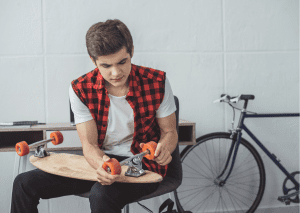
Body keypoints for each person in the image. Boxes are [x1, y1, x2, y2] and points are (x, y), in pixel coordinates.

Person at [11, 19, 178, 213]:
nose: (116, 72)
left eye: (122, 62)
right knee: (23, 183)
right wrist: (103, 164)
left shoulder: (157, 82)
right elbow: (89, 145)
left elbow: (170, 132)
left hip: (142, 166)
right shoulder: (80, 89)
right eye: (106, 66)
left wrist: (164, 148)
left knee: (101, 194)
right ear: (93, 60)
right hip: (100, 161)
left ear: (131, 51)